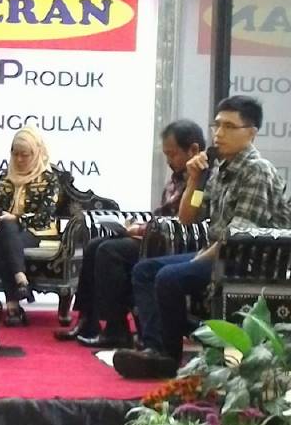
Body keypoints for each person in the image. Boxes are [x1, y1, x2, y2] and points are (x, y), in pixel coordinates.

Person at [114, 96, 291, 379]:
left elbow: (238, 237)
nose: (219, 133)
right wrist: (195, 179)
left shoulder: (257, 171)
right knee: (145, 270)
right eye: (217, 125)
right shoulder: (221, 169)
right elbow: (188, 217)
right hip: (219, 253)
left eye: (229, 126)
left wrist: (198, 259)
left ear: (251, 133)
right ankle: (155, 347)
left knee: (169, 277)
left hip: (249, 262)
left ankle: (168, 355)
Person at [55, 120, 206, 347]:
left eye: (172, 154)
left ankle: (116, 328)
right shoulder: (176, 178)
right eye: (165, 154)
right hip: (156, 236)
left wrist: (144, 230)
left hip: (175, 244)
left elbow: (189, 219)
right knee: (95, 245)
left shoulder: (202, 178)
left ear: (193, 150)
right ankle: (88, 321)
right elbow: (163, 214)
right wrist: (138, 226)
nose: (168, 160)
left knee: (111, 251)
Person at [0, 127, 60, 327]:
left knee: (4, 236)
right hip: (8, 231)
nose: (19, 159)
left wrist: (15, 218)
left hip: (37, 232)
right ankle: (20, 278)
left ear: (36, 153)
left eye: (24, 155)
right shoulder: (6, 177)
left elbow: (44, 216)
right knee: (6, 230)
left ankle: (12, 304)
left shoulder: (49, 179)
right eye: (15, 154)